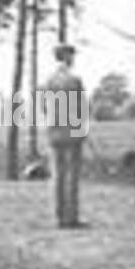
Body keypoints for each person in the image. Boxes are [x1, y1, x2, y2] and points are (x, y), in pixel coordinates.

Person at [44, 44, 89, 229]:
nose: (73, 58)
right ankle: (71, 218)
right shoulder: (74, 80)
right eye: (71, 55)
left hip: (54, 132)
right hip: (72, 131)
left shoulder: (50, 81)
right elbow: (82, 108)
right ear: (66, 57)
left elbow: (45, 107)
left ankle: (59, 217)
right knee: (71, 175)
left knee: (58, 175)